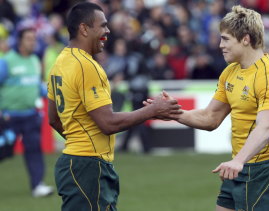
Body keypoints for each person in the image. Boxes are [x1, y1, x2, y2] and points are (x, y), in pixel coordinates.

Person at [146, 5, 269, 211]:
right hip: (237, 166)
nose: (220, 45)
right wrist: (172, 113)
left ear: (246, 39)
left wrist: (239, 161)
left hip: (262, 169)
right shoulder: (230, 72)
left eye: (225, 39)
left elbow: (266, 128)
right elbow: (210, 117)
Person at [47, 2, 181, 210]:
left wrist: (79, 143)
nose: (107, 31)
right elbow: (107, 123)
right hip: (88, 167)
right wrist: (153, 110)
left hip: (76, 163)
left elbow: (53, 119)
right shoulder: (86, 65)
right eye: (102, 25)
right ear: (84, 28)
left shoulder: (60, 62)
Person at [0, 28, 54, 197]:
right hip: (9, 116)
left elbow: (36, 85)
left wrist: (51, 93)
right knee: (4, 150)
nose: (33, 42)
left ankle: (37, 185)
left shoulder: (34, 60)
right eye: (29, 39)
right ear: (19, 41)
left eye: (34, 39)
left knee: (34, 149)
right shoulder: (7, 61)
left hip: (31, 115)